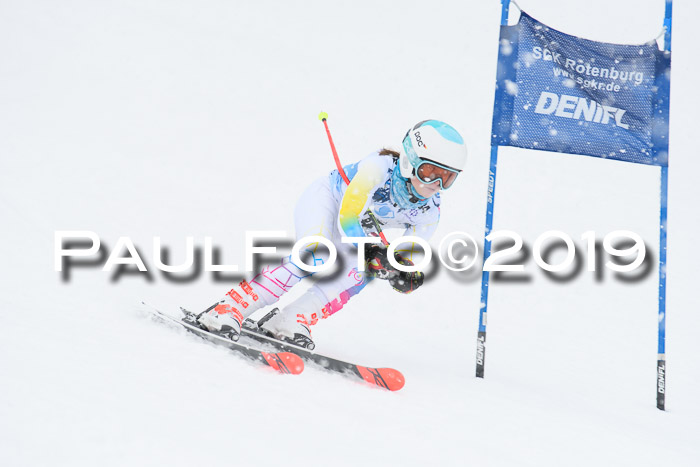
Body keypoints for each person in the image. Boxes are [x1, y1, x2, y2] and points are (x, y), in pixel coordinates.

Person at [196, 119, 468, 349]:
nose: (436, 184)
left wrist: (401, 273)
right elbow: (348, 216)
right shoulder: (378, 167)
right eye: (430, 171)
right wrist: (372, 250)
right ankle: (230, 308)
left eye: (447, 178)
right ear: (410, 160)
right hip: (328, 200)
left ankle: (291, 319)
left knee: (363, 272)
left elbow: (404, 255)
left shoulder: (430, 211)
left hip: (360, 225)